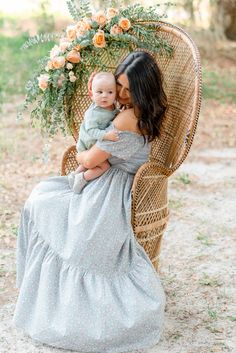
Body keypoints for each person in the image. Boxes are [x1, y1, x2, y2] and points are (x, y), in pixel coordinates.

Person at [13, 51, 168, 353]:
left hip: (110, 190)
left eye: (127, 88)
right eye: (118, 86)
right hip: (114, 180)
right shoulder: (149, 110)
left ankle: (63, 309)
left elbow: (86, 157)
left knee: (43, 202)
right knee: (46, 198)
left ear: (142, 88)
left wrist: (87, 153)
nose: (120, 94)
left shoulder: (125, 118)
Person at [68, 71, 120, 194]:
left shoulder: (112, 107)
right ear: (91, 94)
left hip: (93, 146)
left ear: (115, 94)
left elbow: (114, 114)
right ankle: (83, 178)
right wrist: (106, 136)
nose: (104, 96)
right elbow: (91, 131)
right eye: (99, 92)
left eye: (110, 92)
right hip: (87, 145)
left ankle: (75, 175)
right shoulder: (92, 113)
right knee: (104, 166)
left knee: (88, 165)